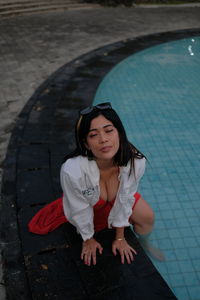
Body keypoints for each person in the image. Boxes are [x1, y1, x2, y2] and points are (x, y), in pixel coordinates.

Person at [60, 102, 165, 266]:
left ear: (119, 133)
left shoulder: (135, 162)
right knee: (81, 222)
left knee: (147, 217)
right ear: (86, 143)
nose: (103, 139)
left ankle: (145, 244)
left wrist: (121, 237)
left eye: (109, 131)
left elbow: (125, 198)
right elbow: (78, 208)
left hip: (118, 199)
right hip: (89, 205)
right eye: (93, 135)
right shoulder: (72, 171)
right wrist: (88, 239)